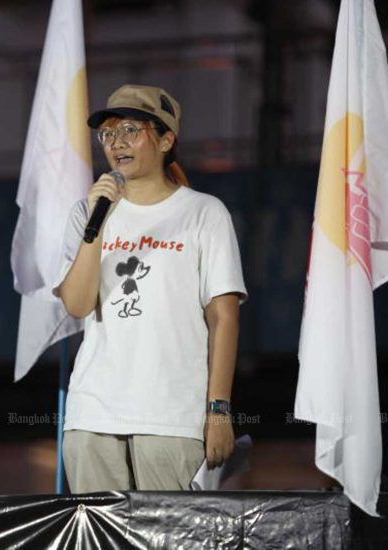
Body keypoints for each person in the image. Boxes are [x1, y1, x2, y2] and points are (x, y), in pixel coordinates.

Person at [55, 84, 247, 492]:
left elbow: (224, 317)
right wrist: (97, 224)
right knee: (98, 529)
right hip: (92, 418)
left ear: (165, 140)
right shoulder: (88, 211)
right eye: (108, 133)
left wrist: (218, 410)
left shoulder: (203, 212)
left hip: (171, 418)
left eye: (130, 130)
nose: (116, 143)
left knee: (170, 528)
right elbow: (77, 304)